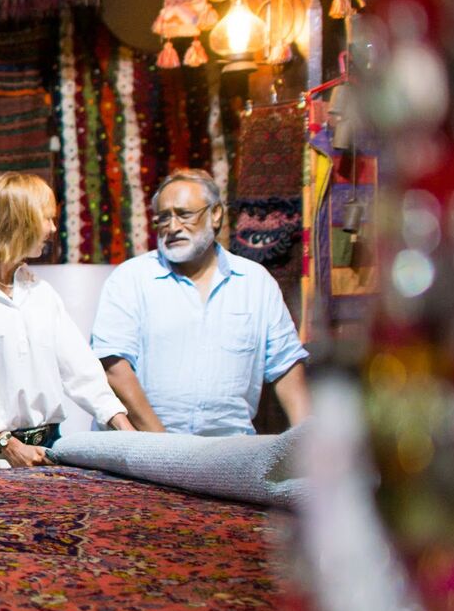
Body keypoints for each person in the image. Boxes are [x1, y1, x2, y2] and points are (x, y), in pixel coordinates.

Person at [91, 170, 310, 436]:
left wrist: (309, 443)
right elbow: (113, 368)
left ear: (216, 214)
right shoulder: (131, 279)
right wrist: (164, 447)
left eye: (184, 214)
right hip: (143, 449)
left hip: (227, 453)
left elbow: (286, 366)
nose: (172, 227)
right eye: (163, 218)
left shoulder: (255, 283)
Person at [0, 172, 135, 468]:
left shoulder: (40, 292)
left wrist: (122, 425)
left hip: (46, 447)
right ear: (19, 220)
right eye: (47, 218)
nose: (53, 229)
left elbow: (80, 368)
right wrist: (5, 442)